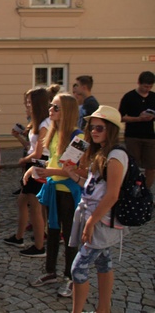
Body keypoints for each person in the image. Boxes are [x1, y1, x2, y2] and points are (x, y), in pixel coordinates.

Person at [65, 105, 128, 313]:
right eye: (92, 127)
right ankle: (103, 309)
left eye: (99, 128)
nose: (93, 132)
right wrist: (72, 174)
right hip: (95, 217)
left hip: (102, 220)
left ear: (110, 129)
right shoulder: (102, 153)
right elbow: (93, 187)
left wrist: (91, 223)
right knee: (104, 263)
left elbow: (112, 195)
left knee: (78, 269)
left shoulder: (116, 155)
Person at [24, 93, 86, 298]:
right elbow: (49, 160)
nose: (51, 109)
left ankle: (71, 277)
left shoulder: (78, 137)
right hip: (52, 188)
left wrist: (49, 172)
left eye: (56, 107)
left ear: (67, 111)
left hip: (69, 191)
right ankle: (50, 271)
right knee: (52, 231)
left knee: (69, 235)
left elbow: (75, 170)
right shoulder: (53, 131)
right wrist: (32, 169)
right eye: (51, 106)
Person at [4, 87, 50, 257]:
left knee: (34, 208)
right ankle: (19, 237)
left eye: (29, 102)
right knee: (22, 202)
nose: (26, 105)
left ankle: (39, 246)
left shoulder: (45, 124)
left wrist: (23, 160)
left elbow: (38, 154)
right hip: (35, 165)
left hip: (39, 166)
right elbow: (31, 147)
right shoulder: (37, 123)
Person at [118, 71, 155, 189]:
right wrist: (138, 119)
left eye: (150, 87)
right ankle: (132, 188)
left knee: (151, 166)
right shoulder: (129, 97)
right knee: (133, 164)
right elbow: (121, 117)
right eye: (145, 86)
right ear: (139, 83)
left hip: (150, 136)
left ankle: (146, 190)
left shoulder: (153, 97)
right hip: (133, 135)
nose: (147, 89)